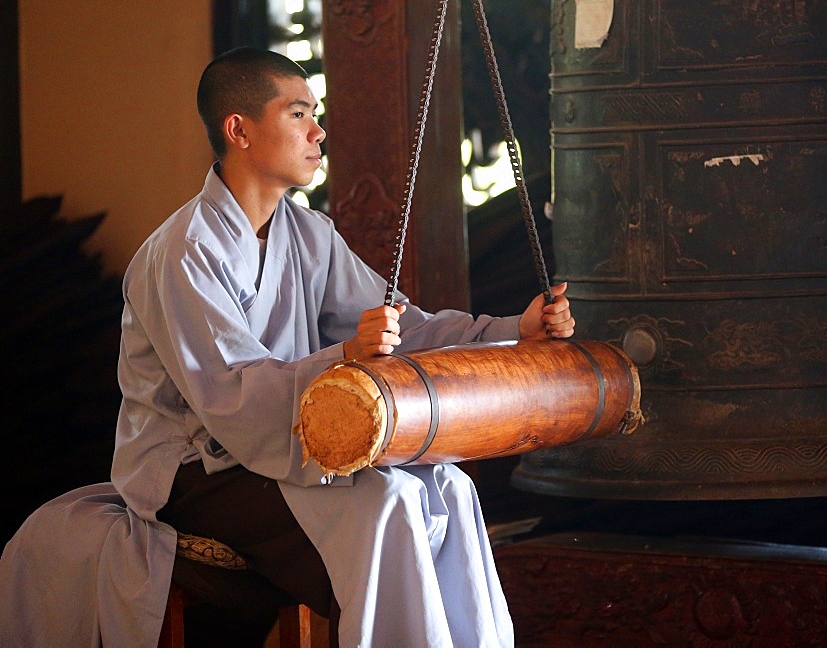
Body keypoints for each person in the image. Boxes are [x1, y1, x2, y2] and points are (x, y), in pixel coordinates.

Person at [0, 47, 574, 647]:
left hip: (288, 441)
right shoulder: (182, 252)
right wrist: (346, 357)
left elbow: (407, 328)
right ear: (239, 130)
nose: (318, 131)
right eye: (299, 114)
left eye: (315, 114)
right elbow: (232, 396)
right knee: (389, 499)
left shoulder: (308, 233)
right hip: (200, 466)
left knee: (447, 484)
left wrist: (513, 329)